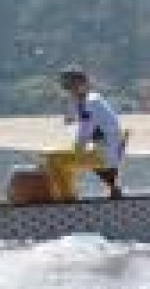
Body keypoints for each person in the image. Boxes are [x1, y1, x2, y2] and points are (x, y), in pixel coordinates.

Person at [43, 66, 125, 200]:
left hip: (104, 154)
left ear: (84, 84)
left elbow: (85, 130)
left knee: (53, 160)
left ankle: (67, 197)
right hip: (108, 151)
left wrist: (76, 150)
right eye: (68, 87)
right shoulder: (93, 98)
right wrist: (71, 103)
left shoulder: (87, 103)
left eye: (73, 85)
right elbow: (69, 120)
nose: (71, 90)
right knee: (65, 158)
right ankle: (112, 189)